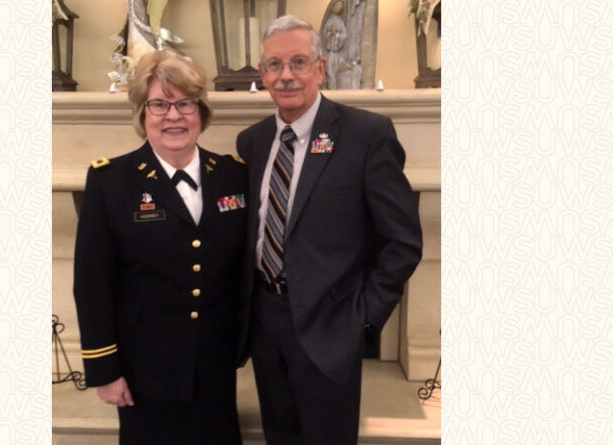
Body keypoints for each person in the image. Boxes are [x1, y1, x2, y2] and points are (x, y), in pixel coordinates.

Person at [235, 15, 423, 444]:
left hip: (331, 323)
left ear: (321, 68)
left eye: (299, 62)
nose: (286, 76)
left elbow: (403, 241)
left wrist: (361, 317)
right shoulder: (253, 141)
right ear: (262, 74)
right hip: (265, 323)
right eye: (274, 65)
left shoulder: (366, 135)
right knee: (278, 435)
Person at [73, 50, 247, 444]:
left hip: (215, 366)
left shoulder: (233, 175)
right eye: (159, 105)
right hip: (143, 369)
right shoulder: (112, 181)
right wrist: (104, 368)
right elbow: (92, 283)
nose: (174, 116)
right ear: (142, 114)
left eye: (185, 103)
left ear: (200, 111)